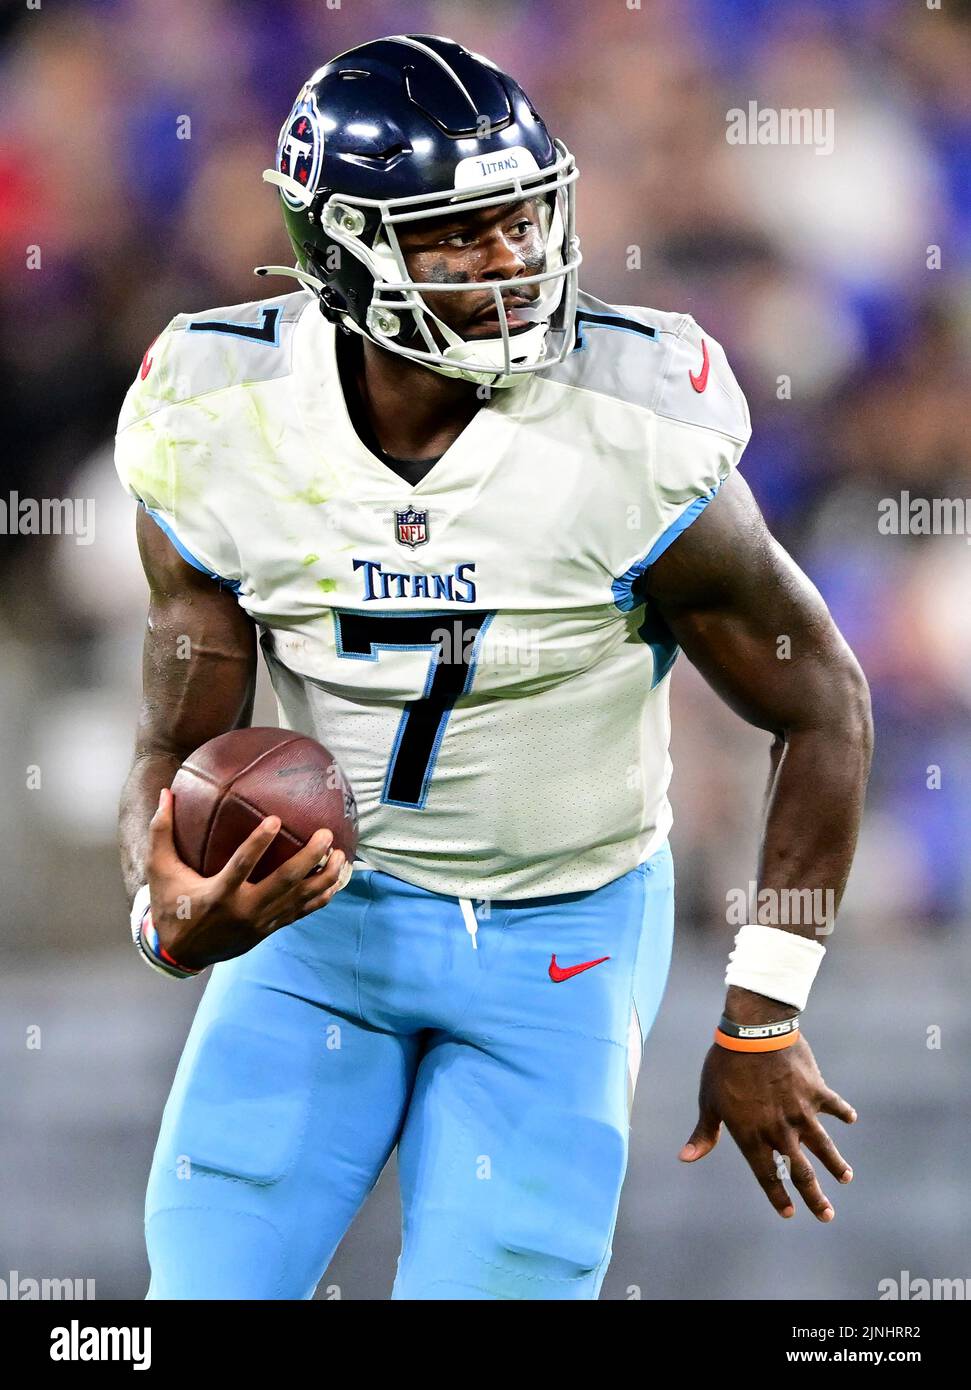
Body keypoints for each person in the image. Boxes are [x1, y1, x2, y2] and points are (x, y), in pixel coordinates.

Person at [115, 34, 872, 1300]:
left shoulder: (629, 423)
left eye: (523, 218)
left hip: (558, 935)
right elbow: (169, 741)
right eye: (457, 235)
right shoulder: (218, 415)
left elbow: (825, 704)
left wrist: (764, 1007)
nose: (513, 262)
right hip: (321, 929)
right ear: (342, 248)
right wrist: (165, 908)